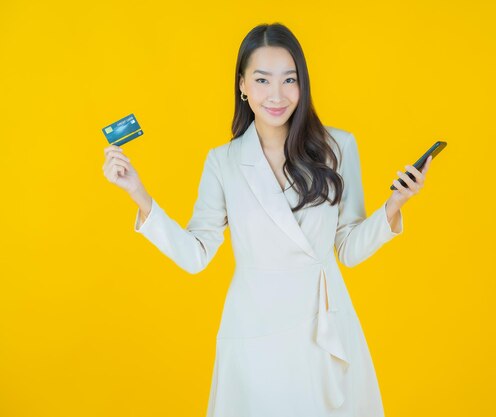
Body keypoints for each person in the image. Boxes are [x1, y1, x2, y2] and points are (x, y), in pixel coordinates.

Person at [102, 22, 432, 417]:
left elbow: (348, 249)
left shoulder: (338, 147)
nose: (276, 95)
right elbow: (196, 254)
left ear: (302, 84)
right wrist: (138, 192)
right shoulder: (223, 161)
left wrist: (393, 207)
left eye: (289, 80)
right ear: (242, 85)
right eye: (262, 80)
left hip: (323, 328)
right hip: (254, 331)